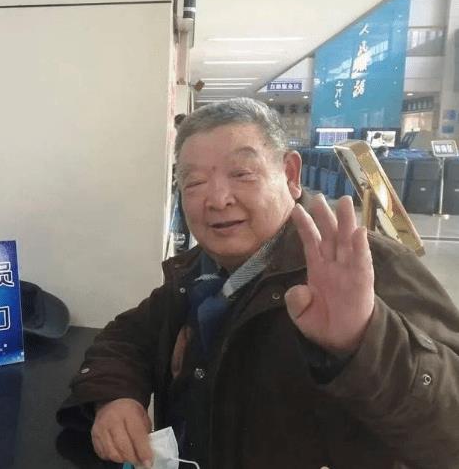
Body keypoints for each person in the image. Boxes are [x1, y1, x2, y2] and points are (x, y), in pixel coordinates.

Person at [57, 98, 459, 468]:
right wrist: (115, 396)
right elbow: (129, 336)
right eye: (193, 182)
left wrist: (365, 342)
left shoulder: (362, 267)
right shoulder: (199, 272)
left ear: (290, 174)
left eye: (242, 173)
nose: (217, 199)